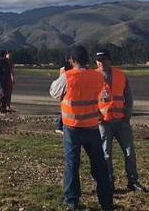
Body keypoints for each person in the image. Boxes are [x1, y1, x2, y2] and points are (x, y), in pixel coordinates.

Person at [49, 45, 113, 211]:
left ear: (72, 60)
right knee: (99, 165)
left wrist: (63, 74)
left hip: (72, 128)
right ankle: (106, 201)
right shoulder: (97, 77)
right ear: (87, 59)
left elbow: (54, 92)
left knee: (72, 164)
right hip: (92, 126)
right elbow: (105, 97)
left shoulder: (67, 77)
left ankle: (72, 200)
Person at [95, 49, 146, 193]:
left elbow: (128, 96)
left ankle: (133, 181)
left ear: (109, 60)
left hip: (121, 121)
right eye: (98, 60)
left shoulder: (120, 75)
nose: (101, 62)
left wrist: (127, 114)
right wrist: (97, 117)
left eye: (103, 59)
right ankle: (109, 181)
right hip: (103, 122)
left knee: (129, 152)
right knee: (106, 153)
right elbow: (90, 99)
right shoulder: (93, 76)